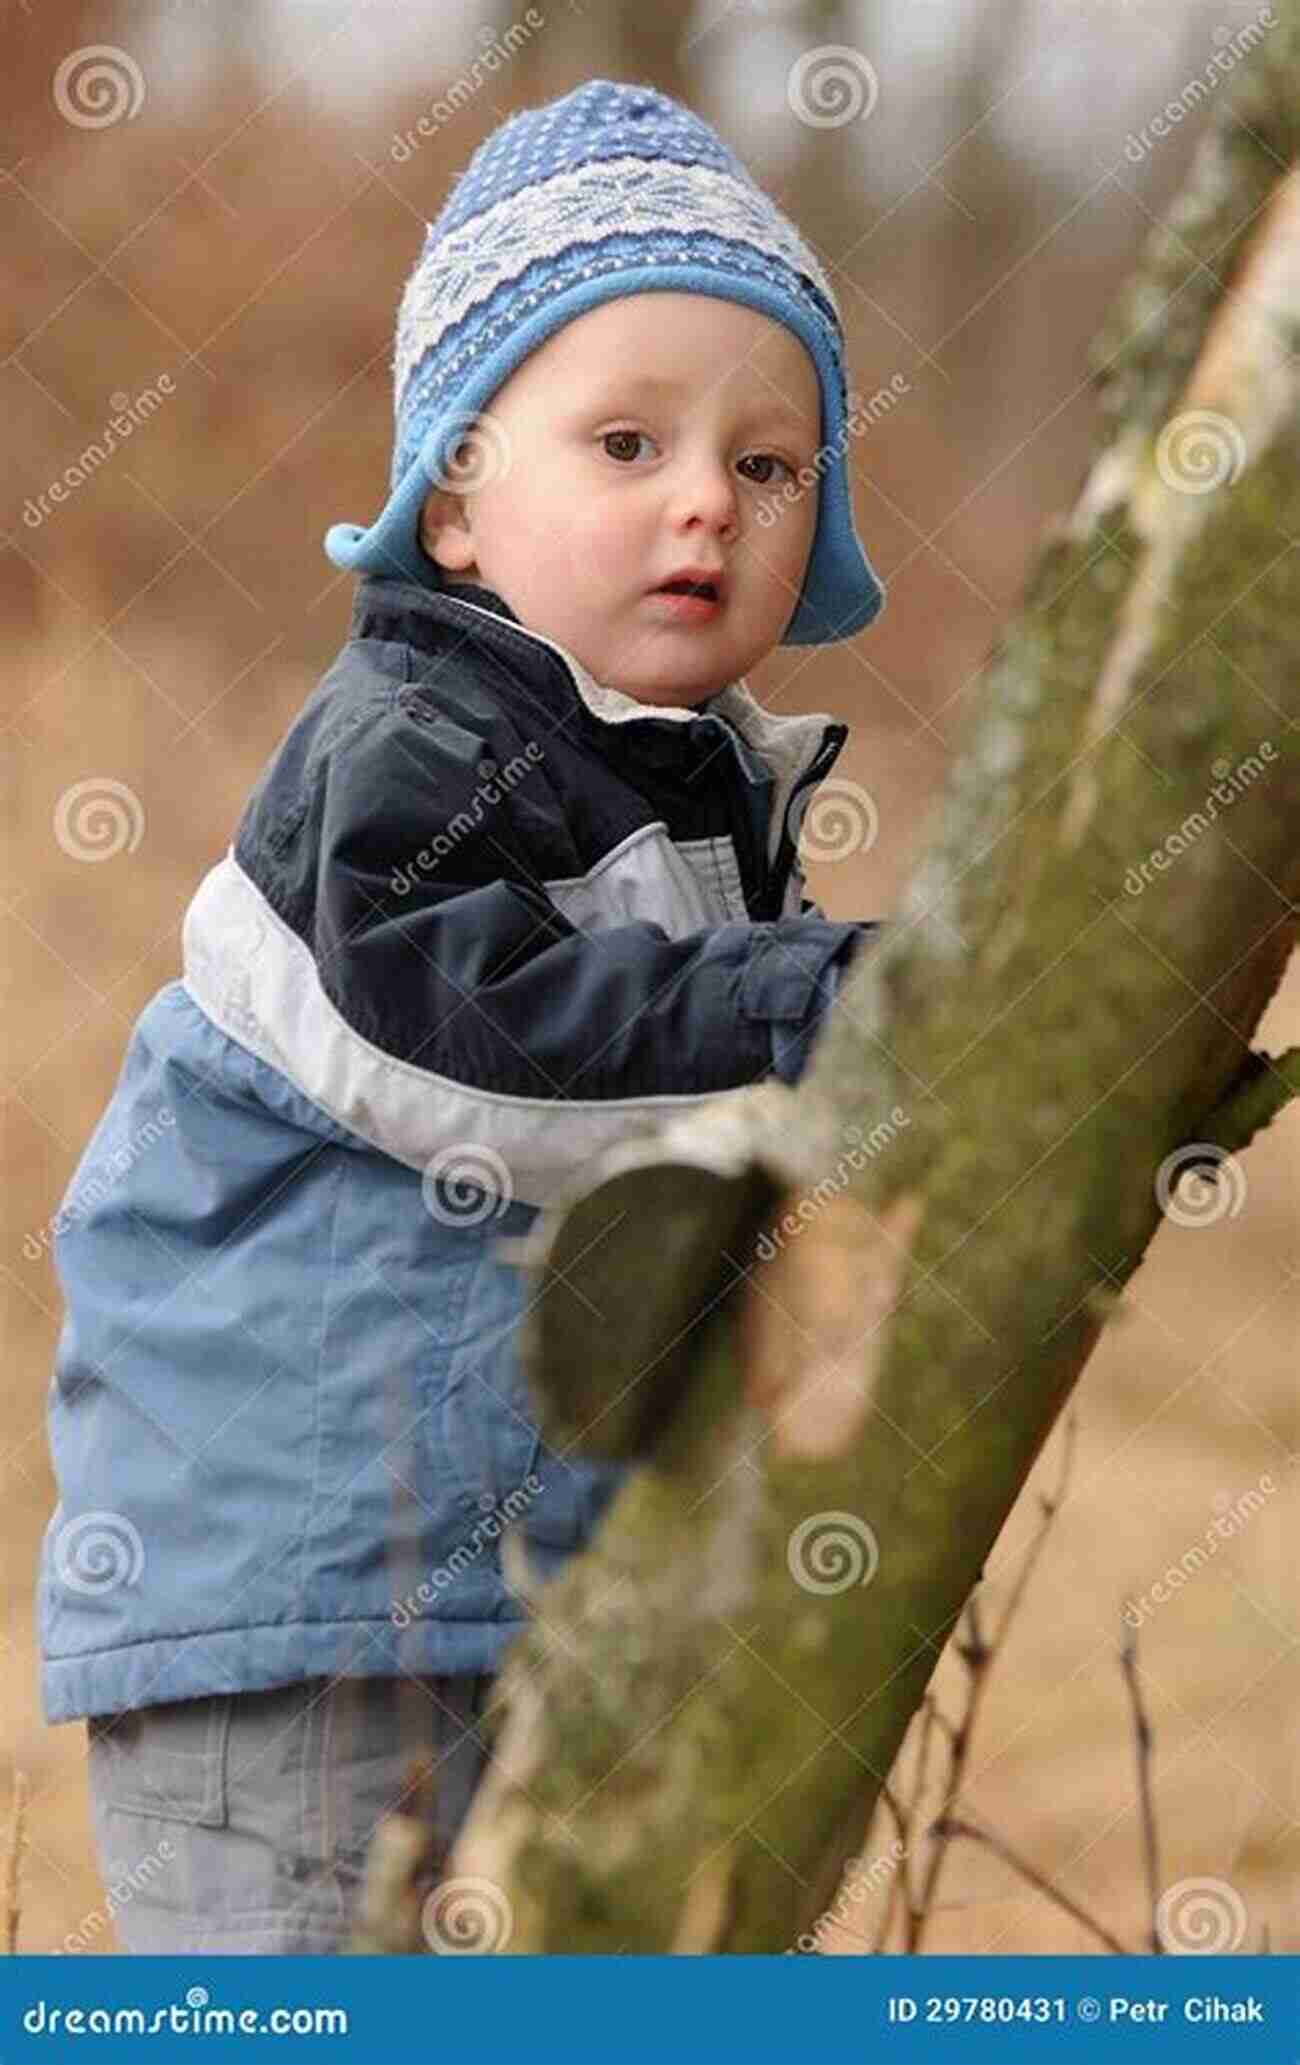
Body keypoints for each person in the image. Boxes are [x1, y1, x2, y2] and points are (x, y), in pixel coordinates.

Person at [35, 76, 887, 1954]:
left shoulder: (686, 789)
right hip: (313, 1611)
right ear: (461, 504)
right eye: (626, 441)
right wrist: (813, 1005)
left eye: (768, 465)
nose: (704, 502)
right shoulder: (408, 751)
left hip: (506, 1587)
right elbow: (465, 1042)